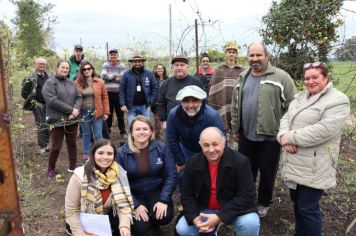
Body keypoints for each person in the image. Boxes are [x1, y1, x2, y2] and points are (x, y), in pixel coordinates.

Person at [277, 62, 350, 236]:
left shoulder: (338, 100)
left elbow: (323, 130)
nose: (310, 81)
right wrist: (283, 138)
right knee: (298, 206)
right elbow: (285, 119)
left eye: (315, 77)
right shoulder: (300, 97)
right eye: (307, 78)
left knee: (308, 209)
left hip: (315, 166)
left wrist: (291, 137)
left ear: (326, 78)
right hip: (295, 163)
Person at [231, 42, 297, 217]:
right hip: (246, 136)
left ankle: (263, 203)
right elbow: (235, 104)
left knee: (267, 173)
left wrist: (287, 133)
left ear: (267, 55)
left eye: (258, 55)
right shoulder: (243, 77)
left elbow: (293, 107)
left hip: (270, 137)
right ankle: (246, 200)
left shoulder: (281, 77)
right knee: (246, 171)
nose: (255, 59)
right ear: (247, 57)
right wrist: (235, 128)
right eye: (251, 55)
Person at [175, 127, 260, 236]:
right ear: (200, 145)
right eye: (206, 145)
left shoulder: (240, 162)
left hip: (233, 209)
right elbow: (187, 194)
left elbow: (247, 195)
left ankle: (217, 224)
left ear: (223, 143)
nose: (211, 150)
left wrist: (220, 217)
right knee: (183, 228)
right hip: (205, 208)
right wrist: (195, 218)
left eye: (215, 144)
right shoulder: (192, 163)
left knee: (250, 223)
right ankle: (209, 229)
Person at [117, 116, 177, 235]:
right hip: (134, 194)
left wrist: (163, 200)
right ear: (131, 132)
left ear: (151, 132)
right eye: (137, 129)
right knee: (140, 228)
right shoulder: (121, 153)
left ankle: (155, 223)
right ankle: (146, 223)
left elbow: (171, 175)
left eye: (145, 129)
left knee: (163, 217)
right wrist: (135, 204)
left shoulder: (162, 147)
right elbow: (118, 182)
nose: (141, 132)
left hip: (156, 192)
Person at [65, 139, 134, 236]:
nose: (105, 157)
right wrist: (80, 233)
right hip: (81, 222)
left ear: (114, 156)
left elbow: (123, 206)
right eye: (100, 153)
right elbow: (71, 209)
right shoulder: (79, 176)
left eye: (109, 153)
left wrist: (124, 226)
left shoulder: (119, 174)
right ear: (93, 155)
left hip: (104, 221)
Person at [166, 85, 224, 185]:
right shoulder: (173, 114)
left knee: (208, 178)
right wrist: (180, 162)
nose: (190, 105)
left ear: (201, 101)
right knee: (183, 176)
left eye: (195, 100)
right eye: (186, 101)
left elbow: (221, 140)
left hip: (207, 150)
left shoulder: (212, 116)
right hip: (186, 149)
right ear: (181, 102)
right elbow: (172, 139)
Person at [42, 59, 82, 179]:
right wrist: (70, 110)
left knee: (72, 143)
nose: (65, 70)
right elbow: (52, 100)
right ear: (57, 68)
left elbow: (79, 97)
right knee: (56, 146)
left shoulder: (71, 83)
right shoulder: (50, 83)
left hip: (72, 120)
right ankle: (51, 169)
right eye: (62, 67)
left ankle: (73, 166)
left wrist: (75, 111)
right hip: (57, 120)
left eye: (67, 68)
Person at [208, 44, 244, 146]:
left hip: (236, 104)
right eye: (229, 52)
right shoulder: (219, 69)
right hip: (222, 103)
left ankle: (234, 149)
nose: (231, 54)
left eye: (233, 52)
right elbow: (212, 87)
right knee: (223, 136)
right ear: (226, 54)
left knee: (236, 133)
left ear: (236, 54)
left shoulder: (242, 70)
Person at [156, 55, 204, 130]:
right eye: (176, 65)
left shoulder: (196, 82)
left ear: (187, 66)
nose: (179, 68)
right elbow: (160, 103)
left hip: (193, 123)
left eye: (182, 65)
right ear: (173, 67)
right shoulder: (166, 84)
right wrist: (164, 120)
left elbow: (204, 101)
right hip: (172, 123)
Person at [75, 61, 110, 160]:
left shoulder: (100, 82)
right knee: (86, 133)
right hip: (83, 112)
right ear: (82, 71)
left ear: (92, 70)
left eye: (88, 69)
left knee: (98, 133)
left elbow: (105, 97)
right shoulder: (77, 83)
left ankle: (101, 151)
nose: (87, 71)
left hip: (97, 111)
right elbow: (74, 97)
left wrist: (106, 112)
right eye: (84, 69)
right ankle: (86, 152)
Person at [21, 57, 50, 156]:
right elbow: (24, 93)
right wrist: (34, 103)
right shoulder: (30, 77)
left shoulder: (48, 76)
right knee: (41, 125)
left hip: (49, 105)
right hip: (38, 105)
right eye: (40, 63)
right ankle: (42, 148)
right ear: (36, 64)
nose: (42, 65)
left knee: (49, 124)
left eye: (44, 64)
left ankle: (46, 145)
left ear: (46, 65)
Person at [119, 54, 158, 125]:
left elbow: (155, 88)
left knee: (146, 125)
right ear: (132, 63)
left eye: (139, 62)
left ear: (143, 62)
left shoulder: (149, 74)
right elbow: (122, 90)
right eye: (135, 62)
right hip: (131, 106)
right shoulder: (126, 74)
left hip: (145, 105)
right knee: (132, 126)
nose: (137, 63)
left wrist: (151, 101)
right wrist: (123, 104)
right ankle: (132, 136)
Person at [101, 48, 127, 138]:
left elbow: (123, 79)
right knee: (109, 113)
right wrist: (116, 75)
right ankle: (107, 131)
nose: (113, 56)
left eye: (114, 54)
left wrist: (110, 76)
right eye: (111, 55)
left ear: (117, 56)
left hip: (119, 94)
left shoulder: (122, 66)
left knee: (120, 114)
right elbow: (103, 76)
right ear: (109, 56)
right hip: (107, 94)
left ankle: (123, 131)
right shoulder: (105, 65)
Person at [151, 63, 168, 140]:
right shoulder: (153, 79)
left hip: (166, 103)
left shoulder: (167, 79)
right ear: (155, 70)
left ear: (164, 70)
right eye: (158, 68)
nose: (160, 70)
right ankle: (158, 138)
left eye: (161, 68)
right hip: (156, 104)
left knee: (165, 121)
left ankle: (165, 137)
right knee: (157, 121)